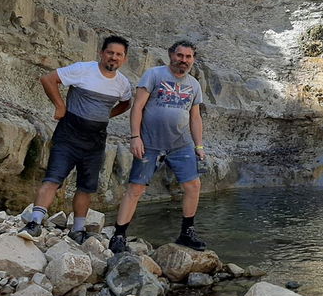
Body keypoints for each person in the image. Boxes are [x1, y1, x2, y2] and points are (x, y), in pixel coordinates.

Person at [19, 36, 132, 243]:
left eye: (118, 54)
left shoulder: (123, 83)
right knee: (53, 178)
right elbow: (48, 79)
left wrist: (106, 115)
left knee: (86, 186)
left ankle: (78, 230)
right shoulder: (83, 69)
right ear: (101, 53)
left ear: (124, 58)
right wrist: (60, 106)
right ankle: (34, 223)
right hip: (68, 135)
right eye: (110, 52)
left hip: (95, 141)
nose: (113, 57)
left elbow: (126, 104)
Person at [109, 40, 207, 253]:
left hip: (181, 145)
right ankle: (119, 235)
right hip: (150, 143)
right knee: (136, 188)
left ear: (193, 60)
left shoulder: (194, 85)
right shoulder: (154, 75)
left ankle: (186, 233)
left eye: (188, 57)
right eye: (180, 55)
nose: (183, 60)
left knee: (193, 186)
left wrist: (199, 146)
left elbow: (195, 117)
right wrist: (135, 136)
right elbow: (137, 108)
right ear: (171, 55)